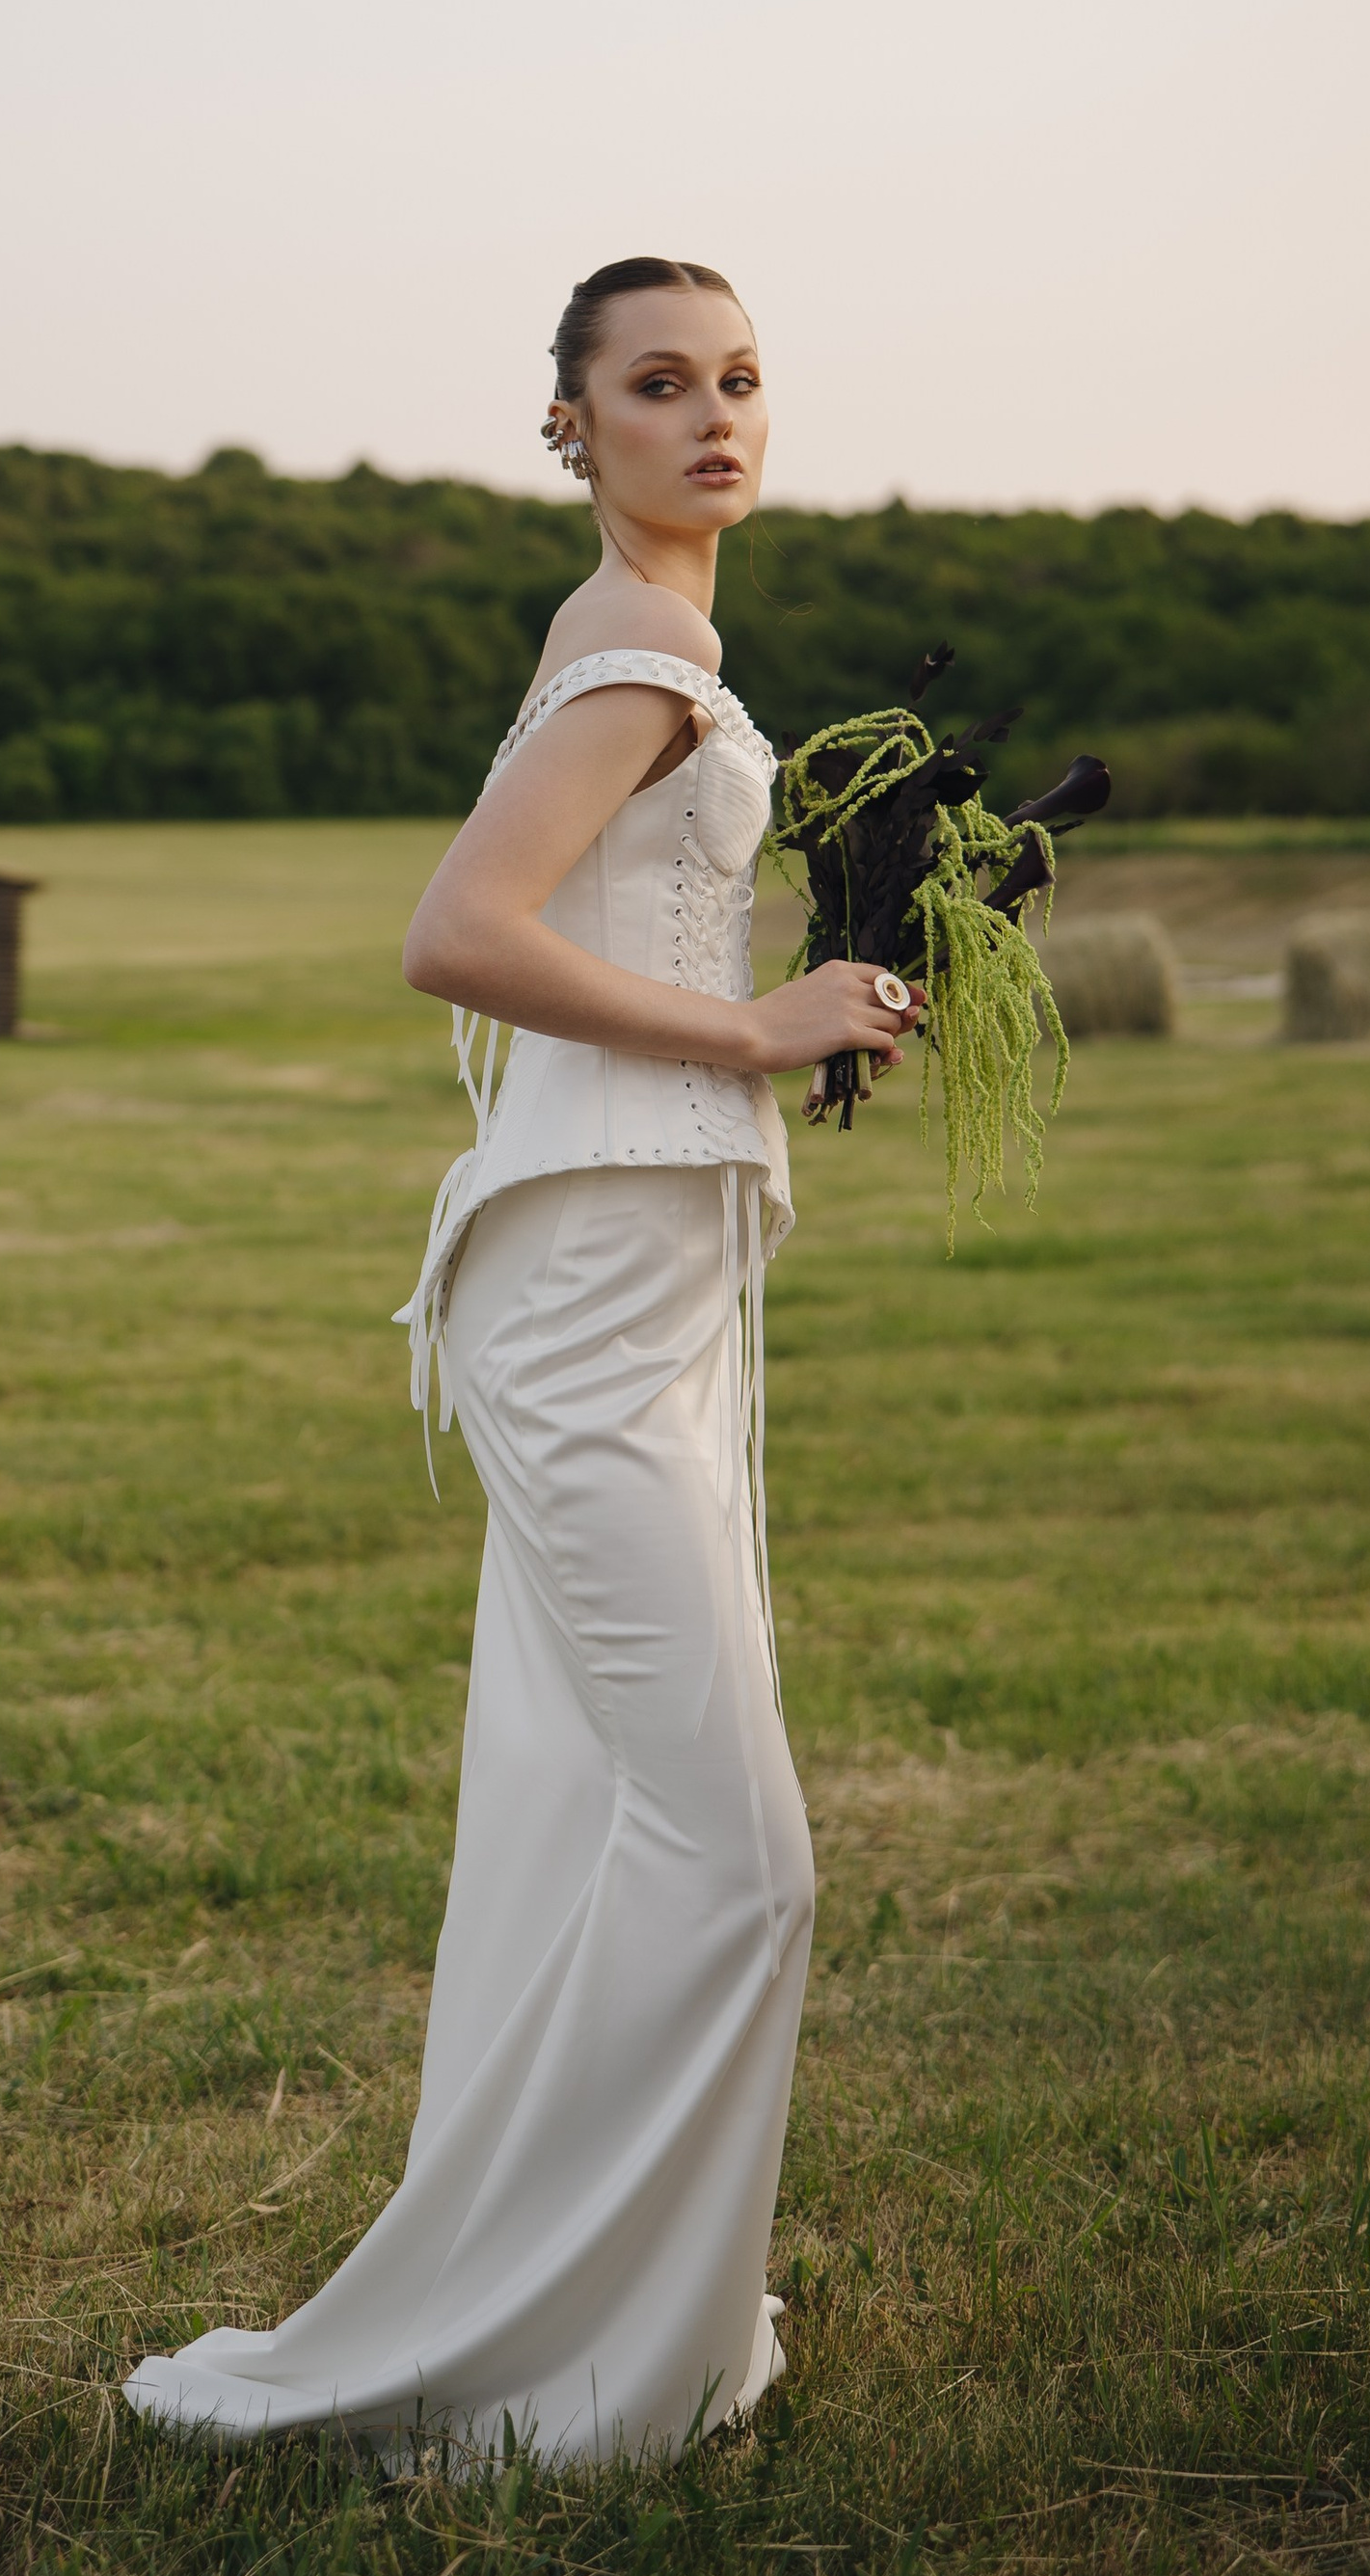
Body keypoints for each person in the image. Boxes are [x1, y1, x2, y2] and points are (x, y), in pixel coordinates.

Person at [123, 257, 927, 2465]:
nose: (712, 416)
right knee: (734, 1848)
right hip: (574, 1298)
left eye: (740, 379)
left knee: (598, 1818)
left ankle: (625, 2316)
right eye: (655, 383)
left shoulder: (657, 649)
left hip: (630, 1281)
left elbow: (610, 938)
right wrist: (756, 1024)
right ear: (568, 423)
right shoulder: (641, 649)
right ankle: (577, 2375)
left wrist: (826, 978)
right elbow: (454, 937)